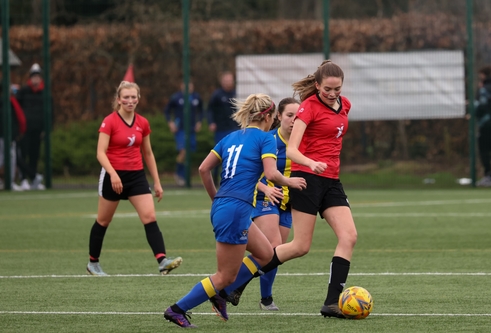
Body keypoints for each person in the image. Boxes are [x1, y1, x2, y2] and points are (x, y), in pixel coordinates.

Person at [224, 60, 357, 319]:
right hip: (307, 178)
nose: (332, 94)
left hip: (332, 181)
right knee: (299, 246)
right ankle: (238, 282)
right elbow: (293, 150)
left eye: (337, 89)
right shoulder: (308, 108)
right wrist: (312, 162)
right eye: (327, 89)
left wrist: (327, 162)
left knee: (349, 236)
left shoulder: (346, 105)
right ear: (317, 86)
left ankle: (331, 303)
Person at [163, 93, 306, 328]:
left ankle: (222, 294)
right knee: (224, 275)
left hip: (226, 205)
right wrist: (292, 182)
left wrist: (215, 198)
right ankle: (177, 309)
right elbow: (271, 174)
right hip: (236, 209)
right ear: (268, 116)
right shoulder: (265, 138)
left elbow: (203, 169)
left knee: (266, 253)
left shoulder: (230, 137)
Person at [87, 81, 182, 276]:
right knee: (103, 221)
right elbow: (100, 153)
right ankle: (93, 263)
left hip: (136, 176)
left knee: (150, 217)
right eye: (126, 97)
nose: (130, 101)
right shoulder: (110, 121)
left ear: (138, 99)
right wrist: (113, 174)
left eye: (133, 97)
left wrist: (157, 181)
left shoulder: (142, 122)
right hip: (113, 175)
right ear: (119, 100)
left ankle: (162, 261)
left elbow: (147, 153)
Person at [227, 97, 300, 311]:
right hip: (265, 198)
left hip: (287, 202)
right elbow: (248, 172)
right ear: (278, 116)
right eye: (289, 115)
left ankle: (264, 298)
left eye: (298, 116)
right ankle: (232, 286)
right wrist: (266, 187)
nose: (294, 120)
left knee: (276, 255)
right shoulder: (267, 139)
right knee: (273, 246)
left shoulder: (303, 142)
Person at [163, 81, 203, 186]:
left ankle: (185, 176)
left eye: (190, 86)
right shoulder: (176, 97)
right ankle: (179, 174)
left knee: (188, 152)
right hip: (180, 129)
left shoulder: (196, 97)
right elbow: (167, 111)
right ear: (181, 86)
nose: (188, 88)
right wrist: (171, 123)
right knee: (183, 151)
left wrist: (199, 122)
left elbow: (202, 110)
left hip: (192, 129)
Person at [15, 63, 48, 190]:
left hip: (37, 130)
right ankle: (24, 179)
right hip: (24, 130)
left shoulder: (44, 93)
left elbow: (49, 112)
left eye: (38, 76)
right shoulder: (23, 92)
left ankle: (33, 180)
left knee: (35, 155)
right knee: (23, 154)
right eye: (34, 76)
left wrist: (45, 129)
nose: (36, 79)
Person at [207, 71, 239, 184]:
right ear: (222, 82)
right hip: (221, 130)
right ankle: (215, 179)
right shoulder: (217, 95)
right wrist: (211, 122)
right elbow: (210, 109)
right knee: (219, 154)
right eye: (226, 80)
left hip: (234, 129)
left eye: (230, 80)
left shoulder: (237, 94)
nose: (228, 83)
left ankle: (231, 178)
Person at [0, 83, 26, 191]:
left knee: (7, 157)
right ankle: (9, 183)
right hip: (5, 136)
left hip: (7, 136)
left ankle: (9, 183)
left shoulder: (10, 102)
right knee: (9, 158)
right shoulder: (8, 103)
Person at [475, 65, 491, 187]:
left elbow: (481, 107)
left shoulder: (484, 90)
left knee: (484, 150)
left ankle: (488, 176)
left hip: (486, 124)